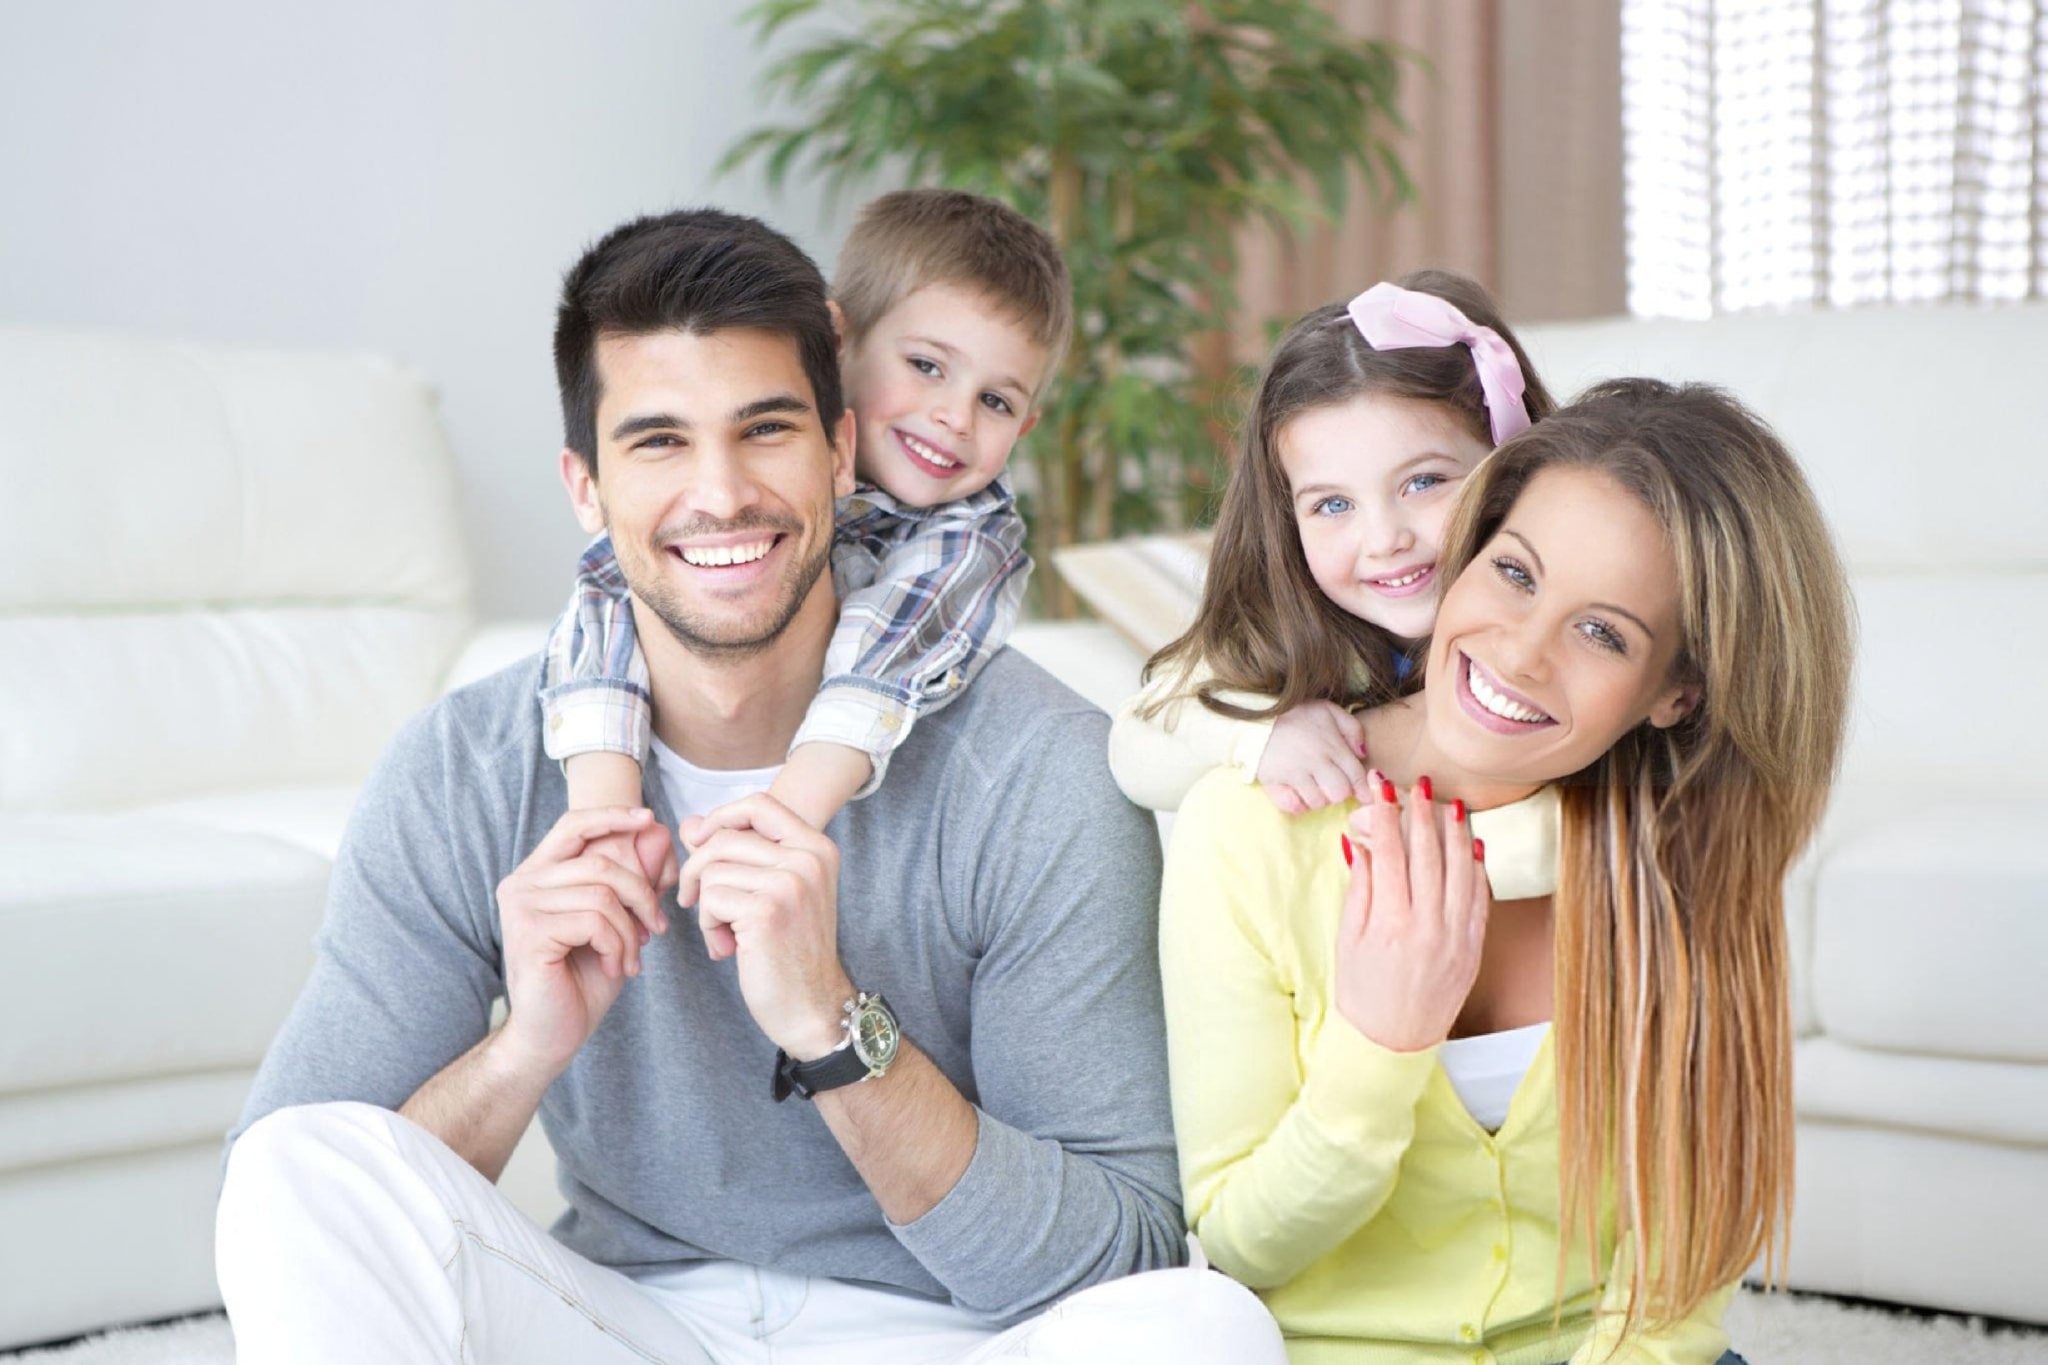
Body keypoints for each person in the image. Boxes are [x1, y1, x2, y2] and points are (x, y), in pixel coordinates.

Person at [214, 207, 1284, 1365]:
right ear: (586, 487)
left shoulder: (1037, 770)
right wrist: (525, 1044)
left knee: (1201, 1329)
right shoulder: (464, 768)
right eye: (659, 442)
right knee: (294, 1164)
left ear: (837, 446)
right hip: (622, 1322)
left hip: (948, 1337)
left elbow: (1118, 1252)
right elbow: (304, 1212)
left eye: (764, 431)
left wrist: (831, 1028)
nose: (720, 495)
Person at [1160, 379, 1854, 1363]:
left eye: (1602, 632)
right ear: (1465, 552)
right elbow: (1241, 1245)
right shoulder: (1246, 829)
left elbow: (1674, 1281)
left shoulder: (1684, 852)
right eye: (1514, 574)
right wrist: (1382, 1045)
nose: (1520, 654)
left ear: (1674, 693)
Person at [543, 188, 1065, 843]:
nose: (955, 418)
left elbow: (886, 665)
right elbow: (606, 589)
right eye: (926, 366)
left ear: (1025, 427)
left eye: (995, 401)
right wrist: (602, 821)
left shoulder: (969, 535)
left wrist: (781, 819)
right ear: (839, 340)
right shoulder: (457, 764)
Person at [1109, 272, 1558, 817]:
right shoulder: (1293, 635)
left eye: (1422, 482)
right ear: (1285, 520)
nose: (1385, 540)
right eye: (1334, 506)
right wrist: (1261, 738)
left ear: (1510, 465)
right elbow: (1134, 752)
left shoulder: (1562, 631)